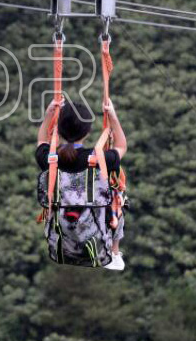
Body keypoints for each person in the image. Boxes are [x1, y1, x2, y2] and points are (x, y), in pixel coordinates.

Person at [36, 98, 128, 270]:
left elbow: (41, 142)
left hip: (62, 237)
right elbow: (121, 146)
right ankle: (114, 252)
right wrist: (113, 118)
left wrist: (49, 115)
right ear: (87, 132)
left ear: (59, 130)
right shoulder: (98, 160)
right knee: (117, 195)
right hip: (94, 230)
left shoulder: (51, 160)